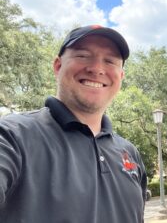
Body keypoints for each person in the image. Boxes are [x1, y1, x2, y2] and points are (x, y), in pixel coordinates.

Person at [0, 25, 147, 222]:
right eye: (83, 56)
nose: (97, 68)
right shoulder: (12, 136)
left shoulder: (129, 153)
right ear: (58, 66)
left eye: (110, 61)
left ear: (120, 77)